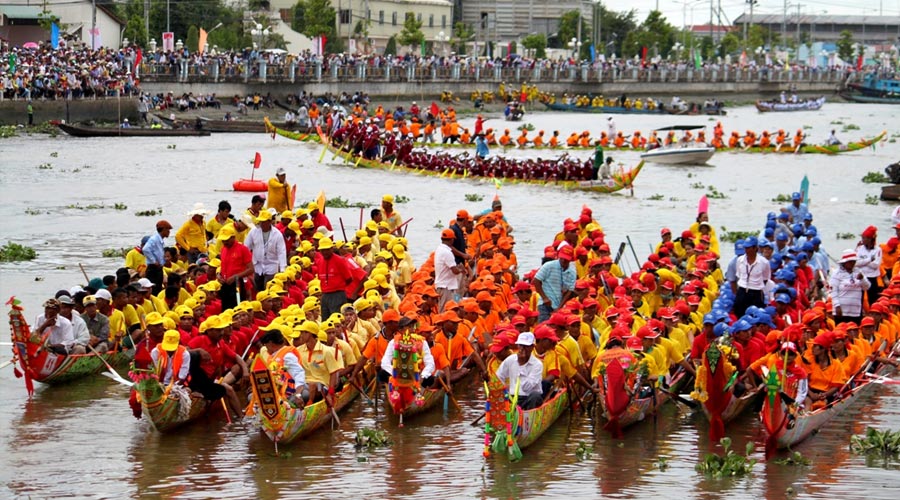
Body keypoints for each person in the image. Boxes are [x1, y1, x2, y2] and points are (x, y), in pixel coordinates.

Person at [316, 237, 366, 318]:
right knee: (325, 319)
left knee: (337, 318)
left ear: (332, 249)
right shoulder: (320, 261)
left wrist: (339, 287)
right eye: (322, 250)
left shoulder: (340, 261)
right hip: (325, 295)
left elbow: (349, 278)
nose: (325, 252)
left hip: (337, 294)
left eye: (327, 249)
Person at [495, 332, 544, 410]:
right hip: (512, 397)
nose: (522, 349)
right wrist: (504, 390)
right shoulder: (510, 359)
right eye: (520, 345)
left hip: (528, 398)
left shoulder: (537, 364)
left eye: (526, 346)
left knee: (535, 396)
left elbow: (526, 387)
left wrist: (522, 365)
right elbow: (498, 377)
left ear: (532, 347)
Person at [245, 209, 287, 293]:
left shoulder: (277, 234)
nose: (262, 224)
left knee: (268, 287)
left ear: (269, 221)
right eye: (261, 221)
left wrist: (282, 269)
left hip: (271, 264)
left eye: (264, 222)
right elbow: (246, 247)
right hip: (257, 264)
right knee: (257, 288)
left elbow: (281, 252)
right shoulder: (253, 232)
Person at [533, 246, 577, 322]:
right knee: (544, 327)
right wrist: (544, 298)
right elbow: (536, 280)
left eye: (566, 259)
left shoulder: (572, 272)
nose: (563, 261)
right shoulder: (548, 266)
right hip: (545, 304)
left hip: (560, 305)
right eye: (562, 258)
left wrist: (559, 308)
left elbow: (569, 291)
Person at [217, 225, 254, 310]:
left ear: (233, 237)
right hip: (225, 284)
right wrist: (219, 275)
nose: (224, 242)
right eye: (223, 240)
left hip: (238, 283)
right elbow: (223, 266)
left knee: (238, 308)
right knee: (225, 309)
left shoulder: (243, 249)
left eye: (226, 240)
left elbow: (251, 269)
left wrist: (235, 277)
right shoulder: (223, 249)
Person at [732, 237, 770, 318]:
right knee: (739, 314)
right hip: (742, 291)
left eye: (748, 248)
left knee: (757, 316)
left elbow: (765, 279)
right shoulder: (740, 260)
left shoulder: (764, 262)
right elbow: (738, 276)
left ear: (755, 248)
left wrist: (756, 286)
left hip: (756, 293)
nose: (746, 250)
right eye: (745, 248)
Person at [830, 250, 870, 324]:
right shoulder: (836, 273)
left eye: (854, 261)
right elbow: (833, 291)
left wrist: (862, 279)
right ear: (845, 262)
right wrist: (837, 306)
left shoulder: (858, 271)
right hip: (842, 311)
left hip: (856, 311)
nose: (853, 263)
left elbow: (866, 287)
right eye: (850, 261)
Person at [434, 228, 464, 311]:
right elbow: (455, 271)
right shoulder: (447, 252)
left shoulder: (439, 249)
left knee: (452, 308)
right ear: (451, 240)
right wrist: (461, 269)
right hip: (446, 287)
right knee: (444, 311)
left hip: (446, 286)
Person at [855, 226, 883, 305]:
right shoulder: (859, 248)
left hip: (873, 278)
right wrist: (869, 260)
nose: (862, 240)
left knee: (873, 300)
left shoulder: (878, 250)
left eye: (864, 238)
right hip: (861, 276)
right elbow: (856, 263)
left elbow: (876, 265)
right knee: (859, 300)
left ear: (870, 239)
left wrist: (862, 262)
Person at [144, 220, 172, 294]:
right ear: (163, 229)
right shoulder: (154, 239)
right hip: (153, 269)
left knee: (158, 288)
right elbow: (145, 249)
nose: (169, 232)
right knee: (154, 290)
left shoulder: (159, 240)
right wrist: (154, 261)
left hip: (158, 268)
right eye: (168, 229)